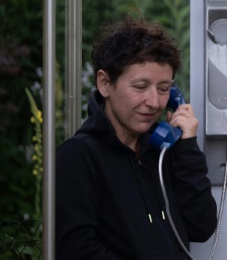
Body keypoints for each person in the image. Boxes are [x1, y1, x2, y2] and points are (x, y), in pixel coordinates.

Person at [56, 15, 218, 259]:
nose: (154, 102)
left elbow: (201, 226)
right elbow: (76, 249)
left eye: (163, 89)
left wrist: (186, 149)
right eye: (140, 87)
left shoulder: (161, 152)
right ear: (105, 83)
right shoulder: (80, 155)